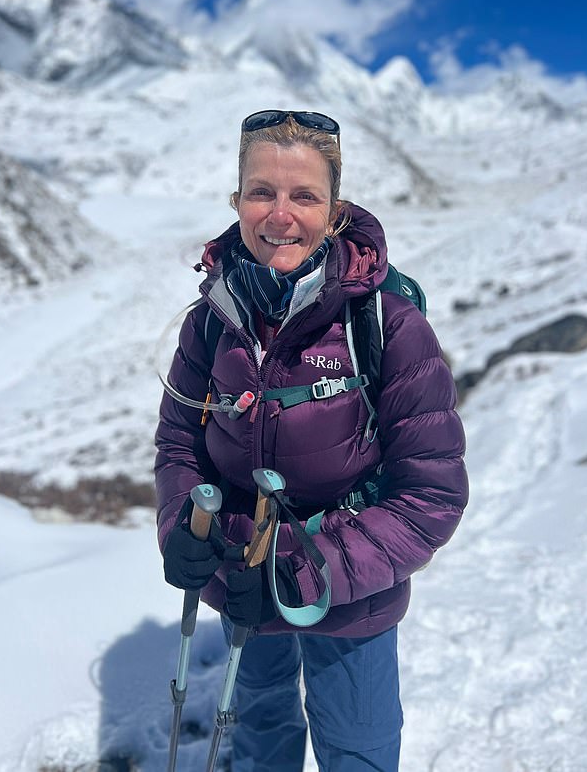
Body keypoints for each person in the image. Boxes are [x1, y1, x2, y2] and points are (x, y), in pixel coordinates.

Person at [154, 110, 469, 771]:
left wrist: (302, 572)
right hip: (242, 572)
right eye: (262, 191)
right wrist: (181, 526)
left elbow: (429, 495)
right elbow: (180, 445)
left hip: (351, 586)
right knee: (261, 723)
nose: (281, 214)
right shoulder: (212, 319)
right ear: (237, 201)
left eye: (304, 196)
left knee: (357, 742)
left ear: (335, 211)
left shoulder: (387, 322)